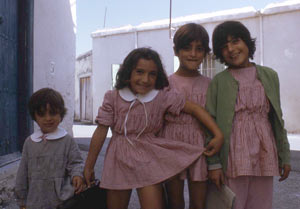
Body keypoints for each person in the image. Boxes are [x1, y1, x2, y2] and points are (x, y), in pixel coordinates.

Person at [84, 47, 223, 209]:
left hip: (149, 157)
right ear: (128, 72)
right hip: (118, 158)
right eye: (139, 72)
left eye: (152, 74)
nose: (145, 79)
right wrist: (89, 166)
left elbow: (194, 109)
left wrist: (217, 134)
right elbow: (101, 131)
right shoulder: (113, 97)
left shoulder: (161, 95)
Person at [206, 20, 291, 209]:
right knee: (233, 204)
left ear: (246, 42)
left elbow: (277, 118)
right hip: (233, 156)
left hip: (264, 152)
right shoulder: (218, 82)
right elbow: (210, 123)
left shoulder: (269, 75)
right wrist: (214, 164)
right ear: (220, 53)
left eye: (235, 41)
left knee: (261, 204)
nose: (231, 49)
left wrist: (284, 155)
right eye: (224, 46)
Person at [159, 23, 211, 209]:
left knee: (199, 203)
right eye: (187, 48)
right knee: (175, 202)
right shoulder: (165, 83)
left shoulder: (210, 85)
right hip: (171, 145)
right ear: (176, 51)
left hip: (200, 147)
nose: (193, 54)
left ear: (205, 53)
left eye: (199, 49)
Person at [15, 88, 85, 209]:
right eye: (42, 114)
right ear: (34, 116)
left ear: (61, 114)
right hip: (35, 201)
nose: (48, 118)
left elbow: (76, 162)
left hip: (61, 201)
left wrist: (77, 175)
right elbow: (22, 173)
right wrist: (22, 200)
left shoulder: (67, 140)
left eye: (53, 113)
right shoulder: (30, 143)